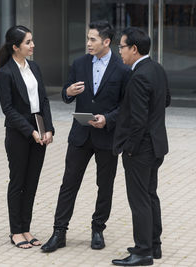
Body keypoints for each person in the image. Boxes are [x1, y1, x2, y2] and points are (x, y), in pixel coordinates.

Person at [41, 21, 131, 253]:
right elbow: (66, 93)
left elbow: (126, 105)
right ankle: (59, 231)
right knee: (69, 184)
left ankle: (98, 228)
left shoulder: (122, 69)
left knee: (105, 185)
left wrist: (108, 119)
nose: (88, 43)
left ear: (106, 42)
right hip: (80, 135)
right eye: (87, 39)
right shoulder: (79, 63)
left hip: (107, 136)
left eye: (93, 39)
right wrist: (67, 92)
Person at [111, 27, 170, 266]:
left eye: (122, 47)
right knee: (149, 195)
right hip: (157, 146)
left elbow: (138, 120)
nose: (120, 52)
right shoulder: (157, 69)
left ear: (134, 49)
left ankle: (143, 251)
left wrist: (131, 148)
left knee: (140, 200)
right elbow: (166, 100)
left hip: (141, 150)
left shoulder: (138, 76)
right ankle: (154, 246)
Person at [0, 25, 55, 249]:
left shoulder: (35, 68)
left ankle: (26, 227)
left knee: (32, 182)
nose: (33, 46)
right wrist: (30, 131)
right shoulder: (6, 73)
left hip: (39, 128)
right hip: (19, 133)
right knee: (18, 181)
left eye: (32, 41)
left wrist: (48, 128)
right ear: (15, 47)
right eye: (28, 42)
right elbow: (8, 110)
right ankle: (15, 231)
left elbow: (44, 101)